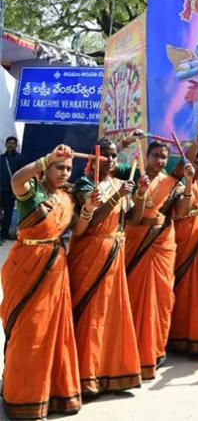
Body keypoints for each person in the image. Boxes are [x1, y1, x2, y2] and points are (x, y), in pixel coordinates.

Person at [0, 144, 99, 419]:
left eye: (68, 168)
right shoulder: (32, 192)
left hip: (55, 270)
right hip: (26, 266)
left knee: (50, 333)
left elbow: (78, 228)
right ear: (47, 169)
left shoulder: (67, 199)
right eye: (60, 167)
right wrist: (46, 159)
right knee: (28, 333)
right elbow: (16, 180)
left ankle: (48, 392)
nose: (65, 172)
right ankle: (22, 396)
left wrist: (89, 208)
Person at [68, 137, 141, 397]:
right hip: (90, 252)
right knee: (90, 312)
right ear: (94, 157)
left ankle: (109, 372)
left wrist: (139, 195)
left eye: (114, 156)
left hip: (114, 251)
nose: (111, 160)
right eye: (106, 155)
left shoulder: (120, 184)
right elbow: (94, 219)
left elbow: (132, 218)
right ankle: (84, 375)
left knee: (110, 312)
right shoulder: (86, 184)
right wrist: (116, 197)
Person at [125, 139, 192, 379]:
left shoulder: (172, 183)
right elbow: (132, 216)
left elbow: (182, 212)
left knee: (162, 297)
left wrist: (190, 181)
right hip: (136, 241)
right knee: (133, 294)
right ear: (147, 155)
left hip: (163, 243)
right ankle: (131, 347)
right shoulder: (134, 178)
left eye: (164, 157)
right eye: (156, 156)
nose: (160, 161)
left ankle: (154, 349)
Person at [169, 124, 198, 355]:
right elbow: (182, 210)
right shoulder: (179, 183)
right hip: (183, 237)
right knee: (184, 286)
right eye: (195, 163)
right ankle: (178, 335)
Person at [1, 135, 26, 240]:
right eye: (9, 143)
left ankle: (3, 235)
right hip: (0, 189)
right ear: (5, 144)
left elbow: (22, 175)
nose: (11, 145)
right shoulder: (1, 158)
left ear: (16, 145)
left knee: (7, 213)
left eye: (13, 143)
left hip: (11, 191)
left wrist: (16, 190)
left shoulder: (20, 158)